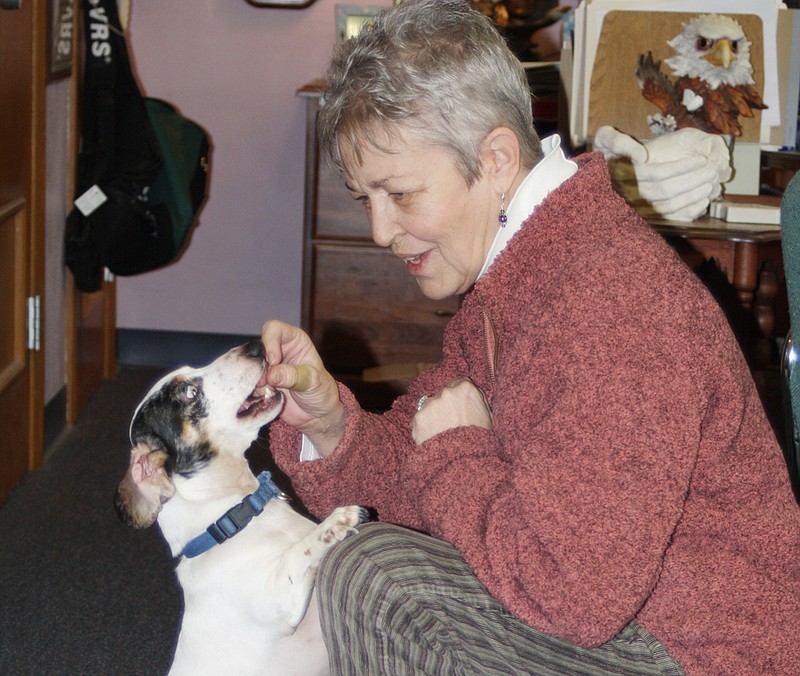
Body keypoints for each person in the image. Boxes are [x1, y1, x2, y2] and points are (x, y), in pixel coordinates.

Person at [259, 0, 800, 672]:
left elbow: (572, 596)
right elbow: (424, 467)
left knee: (382, 579)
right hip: (624, 618)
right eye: (363, 197)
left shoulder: (610, 301)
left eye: (399, 194)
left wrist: (460, 453)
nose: (379, 230)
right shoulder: (521, 277)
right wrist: (335, 427)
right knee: (367, 566)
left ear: (495, 159)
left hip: (700, 651)